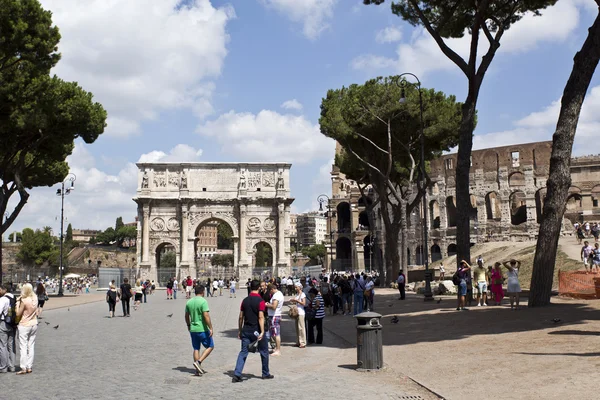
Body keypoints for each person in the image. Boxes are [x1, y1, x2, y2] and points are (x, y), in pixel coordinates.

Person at [232, 280, 273, 383]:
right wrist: (262, 331)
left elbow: (241, 317)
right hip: (257, 330)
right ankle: (265, 373)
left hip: (246, 329)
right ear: (259, 287)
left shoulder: (244, 300)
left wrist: (240, 330)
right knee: (264, 351)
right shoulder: (261, 301)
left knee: (243, 352)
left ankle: (237, 374)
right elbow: (260, 317)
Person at [185, 285, 213, 376]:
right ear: (202, 292)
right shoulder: (203, 301)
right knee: (210, 346)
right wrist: (211, 327)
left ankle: (197, 370)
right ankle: (199, 362)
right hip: (202, 328)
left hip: (193, 329)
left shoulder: (189, 302)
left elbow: (186, 316)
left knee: (196, 348)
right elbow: (206, 315)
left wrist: (189, 325)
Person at [16, 283, 38, 374]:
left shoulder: (24, 300)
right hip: (34, 323)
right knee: (31, 345)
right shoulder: (35, 298)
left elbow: (18, 313)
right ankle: (29, 366)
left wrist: (18, 303)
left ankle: (23, 367)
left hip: (24, 324)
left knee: (23, 346)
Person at [0, 284, 17, 373]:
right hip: (13, 324)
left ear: (4, 289)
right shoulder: (14, 297)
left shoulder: (3, 299)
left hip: (4, 323)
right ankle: (12, 366)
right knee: (12, 345)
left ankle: (3, 367)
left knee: (3, 345)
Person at [265, 283, 284, 356]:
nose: (270, 293)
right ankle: (277, 348)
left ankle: (278, 350)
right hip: (276, 315)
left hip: (274, 316)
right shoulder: (279, 293)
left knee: (276, 334)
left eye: (270, 291)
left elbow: (274, 306)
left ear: (272, 289)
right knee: (274, 333)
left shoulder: (276, 296)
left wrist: (266, 304)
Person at [289, 282, 307, 348]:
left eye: (296, 287)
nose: (295, 288)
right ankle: (298, 341)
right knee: (297, 328)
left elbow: (304, 303)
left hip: (301, 313)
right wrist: (293, 300)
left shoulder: (303, 294)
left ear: (299, 287)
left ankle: (303, 342)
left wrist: (297, 301)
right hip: (297, 313)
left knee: (301, 328)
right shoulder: (297, 294)